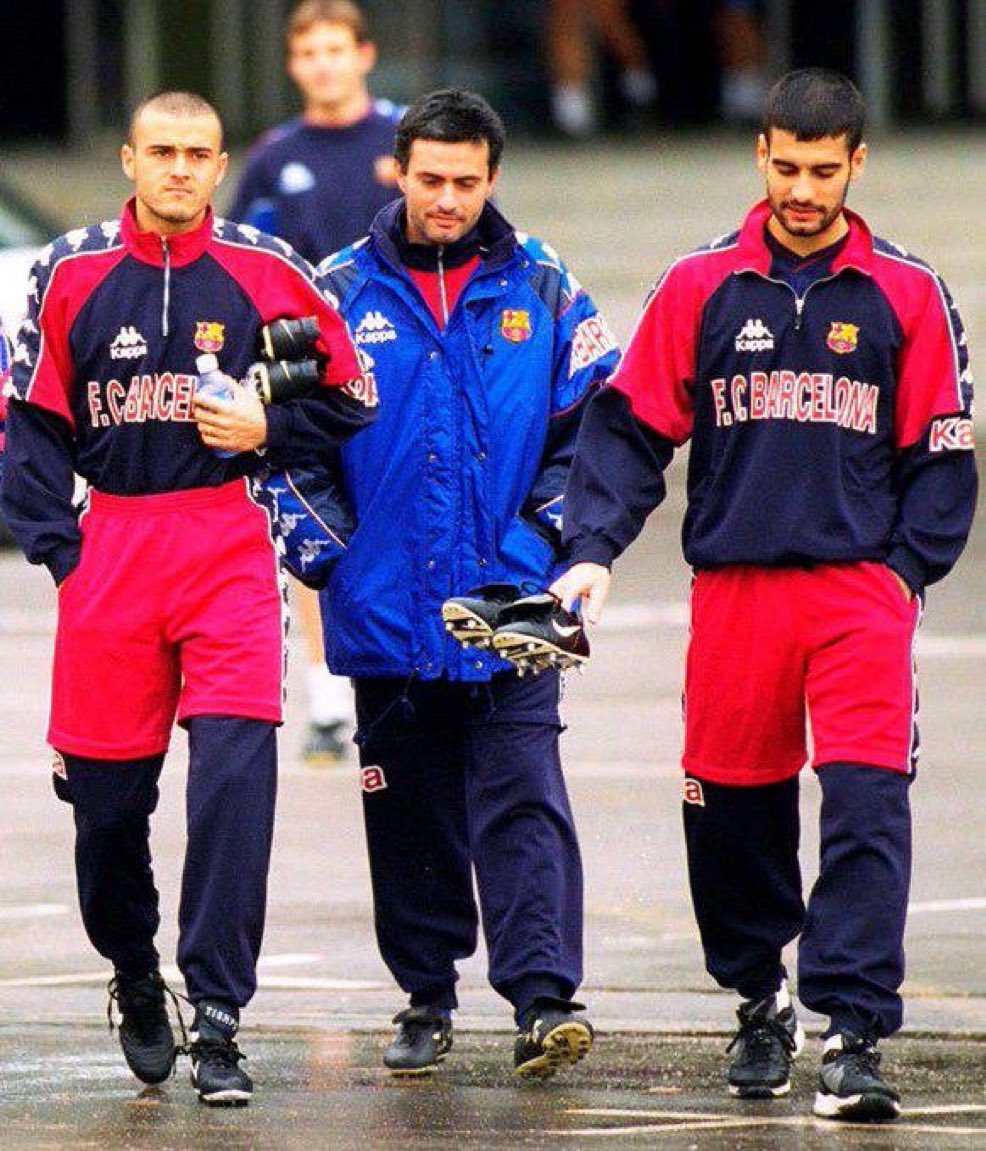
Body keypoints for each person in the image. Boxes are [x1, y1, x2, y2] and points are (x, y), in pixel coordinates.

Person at [551, 68, 976, 1121]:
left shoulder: (907, 292)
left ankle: (853, 1029)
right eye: (786, 167)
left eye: (823, 171)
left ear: (856, 164)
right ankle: (757, 996)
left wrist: (904, 572)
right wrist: (593, 547)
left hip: (858, 593)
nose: (802, 190)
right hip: (736, 592)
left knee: (867, 807)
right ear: (760, 155)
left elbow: (941, 449)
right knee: (730, 809)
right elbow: (628, 428)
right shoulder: (701, 284)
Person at [0, 91, 374, 1105]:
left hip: (225, 548)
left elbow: (352, 394)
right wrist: (62, 552)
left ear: (219, 165)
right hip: (111, 551)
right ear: (128, 159)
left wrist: (269, 429)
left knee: (233, 786)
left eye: (196, 154)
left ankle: (217, 1016)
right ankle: (133, 966)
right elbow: (28, 423)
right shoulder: (69, 271)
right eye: (160, 151)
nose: (178, 168)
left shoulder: (268, 268)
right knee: (106, 814)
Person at [312, 88, 620, 1077]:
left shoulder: (545, 283)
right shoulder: (335, 291)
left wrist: (544, 545)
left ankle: (544, 999)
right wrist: (336, 554)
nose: (446, 199)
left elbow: (599, 429)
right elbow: (287, 444)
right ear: (398, 171)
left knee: (524, 796)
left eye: (466, 181)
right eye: (430, 179)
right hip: (384, 606)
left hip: (515, 602)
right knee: (406, 812)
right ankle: (425, 995)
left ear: (493, 179)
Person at [228, 0, 402, 766]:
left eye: (336, 49)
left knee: (405, 512)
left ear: (364, 54)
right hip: (309, 373)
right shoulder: (274, 157)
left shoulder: (407, 138)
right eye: (309, 52)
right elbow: (241, 258)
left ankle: (409, 680)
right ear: (294, 65)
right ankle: (329, 701)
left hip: (404, 361)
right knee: (316, 524)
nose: (324, 64)